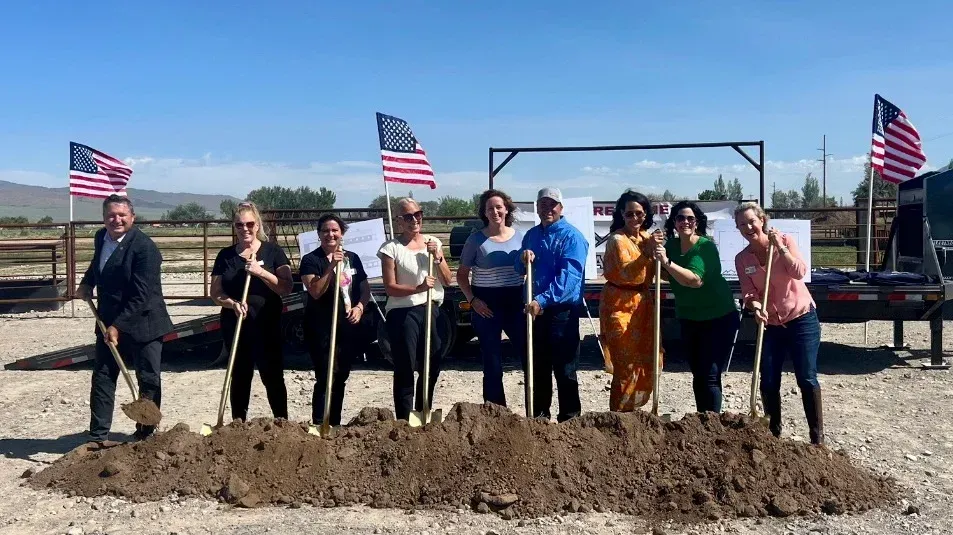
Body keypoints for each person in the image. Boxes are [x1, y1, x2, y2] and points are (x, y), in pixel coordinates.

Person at [76, 194, 173, 447]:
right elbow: (98, 264)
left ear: (132, 218)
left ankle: (145, 433)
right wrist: (88, 282)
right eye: (111, 215)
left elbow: (142, 295)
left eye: (122, 215)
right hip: (107, 320)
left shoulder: (144, 248)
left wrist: (118, 326)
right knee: (103, 376)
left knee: (147, 377)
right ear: (104, 217)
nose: (116, 220)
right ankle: (98, 436)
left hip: (145, 322)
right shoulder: (101, 237)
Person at [734, 201, 824, 445]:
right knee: (769, 379)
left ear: (762, 220)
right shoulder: (742, 259)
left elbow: (799, 272)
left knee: (806, 378)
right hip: (771, 324)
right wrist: (754, 307)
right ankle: (773, 434)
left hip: (801, 319)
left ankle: (817, 438)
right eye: (742, 224)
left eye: (752, 221)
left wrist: (781, 248)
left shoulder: (784, 240)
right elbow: (748, 292)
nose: (748, 227)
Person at [652, 201, 739, 413]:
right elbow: (662, 270)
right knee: (697, 372)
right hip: (689, 317)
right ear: (674, 222)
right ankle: (702, 421)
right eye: (680, 218)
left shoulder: (705, 247)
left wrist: (667, 263)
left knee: (710, 374)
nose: (685, 222)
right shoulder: (670, 246)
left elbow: (694, 280)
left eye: (690, 218)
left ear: (697, 222)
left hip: (718, 317)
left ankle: (713, 423)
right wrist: (653, 248)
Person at [210, 201, 293, 422]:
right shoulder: (225, 256)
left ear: (257, 225)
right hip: (236, 325)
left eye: (249, 224)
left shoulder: (273, 251)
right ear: (234, 227)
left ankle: (281, 422)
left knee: (272, 375)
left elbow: (285, 287)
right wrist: (232, 303)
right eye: (239, 225)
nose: (244, 229)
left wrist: (261, 272)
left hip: (267, 324)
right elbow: (215, 292)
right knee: (239, 376)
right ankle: (238, 424)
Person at [515, 187, 588, 422]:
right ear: (537, 208)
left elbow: (569, 278)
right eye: (543, 205)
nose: (548, 209)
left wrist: (542, 300)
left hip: (561, 313)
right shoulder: (531, 236)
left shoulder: (572, 237)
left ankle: (569, 420)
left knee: (565, 370)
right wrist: (522, 259)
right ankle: (539, 419)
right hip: (535, 313)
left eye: (552, 205)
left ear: (560, 208)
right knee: (538, 369)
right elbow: (520, 270)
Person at [377, 198, 453, 420]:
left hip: (432, 309)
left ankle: (423, 409)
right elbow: (390, 287)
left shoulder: (433, 243)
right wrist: (418, 288)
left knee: (433, 364)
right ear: (399, 221)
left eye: (417, 214)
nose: (414, 220)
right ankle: (404, 417)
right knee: (405, 366)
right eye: (408, 216)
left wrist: (437, 258)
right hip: (403, 312)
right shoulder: (391, 248)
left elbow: (447, 280)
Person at [300, 214, 370, 427]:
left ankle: (335, 422)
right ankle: (320, 422)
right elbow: (315, 292)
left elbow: (364, 289)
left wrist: (360, 307)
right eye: (325, 231)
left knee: (340, 375)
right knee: (325, 375)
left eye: (335, 230)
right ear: (319, 234)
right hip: (321, 327)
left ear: (341, 233)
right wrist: (331, 268)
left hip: (346, 326)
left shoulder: (353, 258)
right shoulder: (311, 260)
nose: (330, 234)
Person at [457, 189, 525, 407]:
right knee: (492, 362)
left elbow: (528, 270)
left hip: (515, 303)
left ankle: (534, 411)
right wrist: (473, 300)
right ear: (484, 213)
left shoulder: (522, 238)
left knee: (528, 356)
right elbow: (461, 275)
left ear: (506, 209)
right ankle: (496, 412)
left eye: (498, 207)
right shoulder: (475, 240)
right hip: (486, 305)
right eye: (489, 208)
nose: (495, 211)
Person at [598, 190, 661, 412]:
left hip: (643, 305)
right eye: (630, 214)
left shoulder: (646, 238)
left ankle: (635, 412)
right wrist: (647, 254)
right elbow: (626, 273)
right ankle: (620, 414)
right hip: (619, 304)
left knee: (645, 361)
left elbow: (658, 270)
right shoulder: (617, 240)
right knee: (625, 365)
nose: (635, 218)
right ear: (621, 215)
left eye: (640, 214)